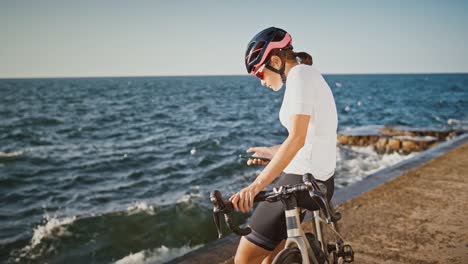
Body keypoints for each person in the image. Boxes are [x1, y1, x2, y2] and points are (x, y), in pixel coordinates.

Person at [229, 27, 338, 264]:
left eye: (259, 73)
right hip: (320, 182)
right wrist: (272, 152)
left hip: (302, 182)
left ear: (276, 60)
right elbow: (310, 138)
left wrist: (255, 186)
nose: (261, 81)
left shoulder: (299, 76)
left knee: (244, 260)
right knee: (270, 257)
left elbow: (297, 139)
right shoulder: (307, 75)